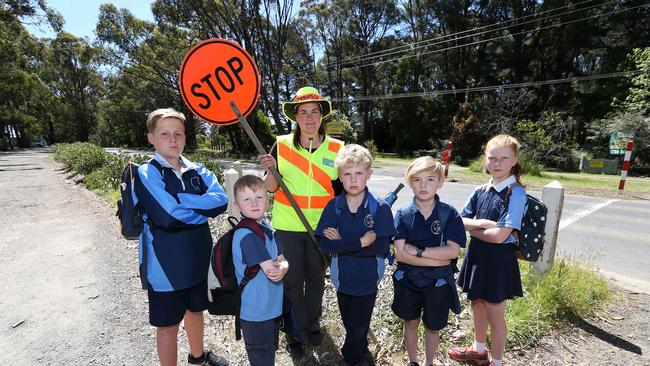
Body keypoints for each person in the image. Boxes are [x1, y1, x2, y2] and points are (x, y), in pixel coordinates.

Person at [133, 108, 229, 366]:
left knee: (195, 310)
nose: (172, 139)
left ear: (185, 138)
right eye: (164, 133)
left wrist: (182, 201)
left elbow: (221, 202)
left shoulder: (198, 170)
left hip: (197, 256)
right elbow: (168, 216)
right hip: (164, 264)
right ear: (151, 137)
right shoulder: (146, 172)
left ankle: (198, 357)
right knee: (167, 325)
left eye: (178, 134)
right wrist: (200, 208)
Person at [259, 86, 344, 358]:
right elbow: (270, 188)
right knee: (292, 281)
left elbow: (343, 193)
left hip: (322, 229)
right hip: (287, 226)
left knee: (317, 279)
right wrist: (271, 168)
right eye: (303, 112)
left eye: (314, 112)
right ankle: (294, 332)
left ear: (322, 116)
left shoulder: (337, 149)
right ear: (295, 116)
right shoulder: (281, 145)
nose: (309, 118)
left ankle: (312, 325)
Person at [448, 134, 527, 366]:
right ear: (485, 159)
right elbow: (458, 220)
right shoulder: (480, 190)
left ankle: (497, 361)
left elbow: (500, 236)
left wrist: (475, 229)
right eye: (492, 157)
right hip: (478, 256)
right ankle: (479, 350)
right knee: (477, 303)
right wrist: (483, 225)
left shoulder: (516, 193)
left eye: (504, 158)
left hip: (499, 262)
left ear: (514, 160)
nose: (497, 163)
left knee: (496, 316)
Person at [315, 144, 395, 366]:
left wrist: (342, 242)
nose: (353, 180)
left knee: (359, 324)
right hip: (342, 279)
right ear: (340, 176)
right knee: (351, 323)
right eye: (347, 174)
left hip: (368, 278)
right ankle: (362, 351)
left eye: (358, 173)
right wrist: (359, 242)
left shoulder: (379, 208)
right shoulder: (334, 207)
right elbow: (325, 245)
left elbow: (380, 247)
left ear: (368, 174)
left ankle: (350, 358)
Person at [391, 156, 467, 366]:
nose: (423, 185)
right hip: (409, 280)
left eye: (430, 180)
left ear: (440, 182)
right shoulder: (404, 214)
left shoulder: (449, 213)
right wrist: (436, 259)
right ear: (410, 182)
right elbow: (400, 254)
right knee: (411, 322)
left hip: (438, 284)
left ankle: (429, 362)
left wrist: (419, 252)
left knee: (433, 327)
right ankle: (413, 361)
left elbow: (452, 252)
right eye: (417, 180)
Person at [231, 175, 289, 366]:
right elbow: (273, 269)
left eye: (259, 198)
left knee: (268, 354)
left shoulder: (266, 228)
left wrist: (284, 266)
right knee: (262, 359)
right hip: (256, 312)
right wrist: (281, 267)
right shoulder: (247, 236)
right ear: (238, 206)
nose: (254, 203)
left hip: (269, 308)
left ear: (268, 200)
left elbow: (282, 260)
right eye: (246, 199)